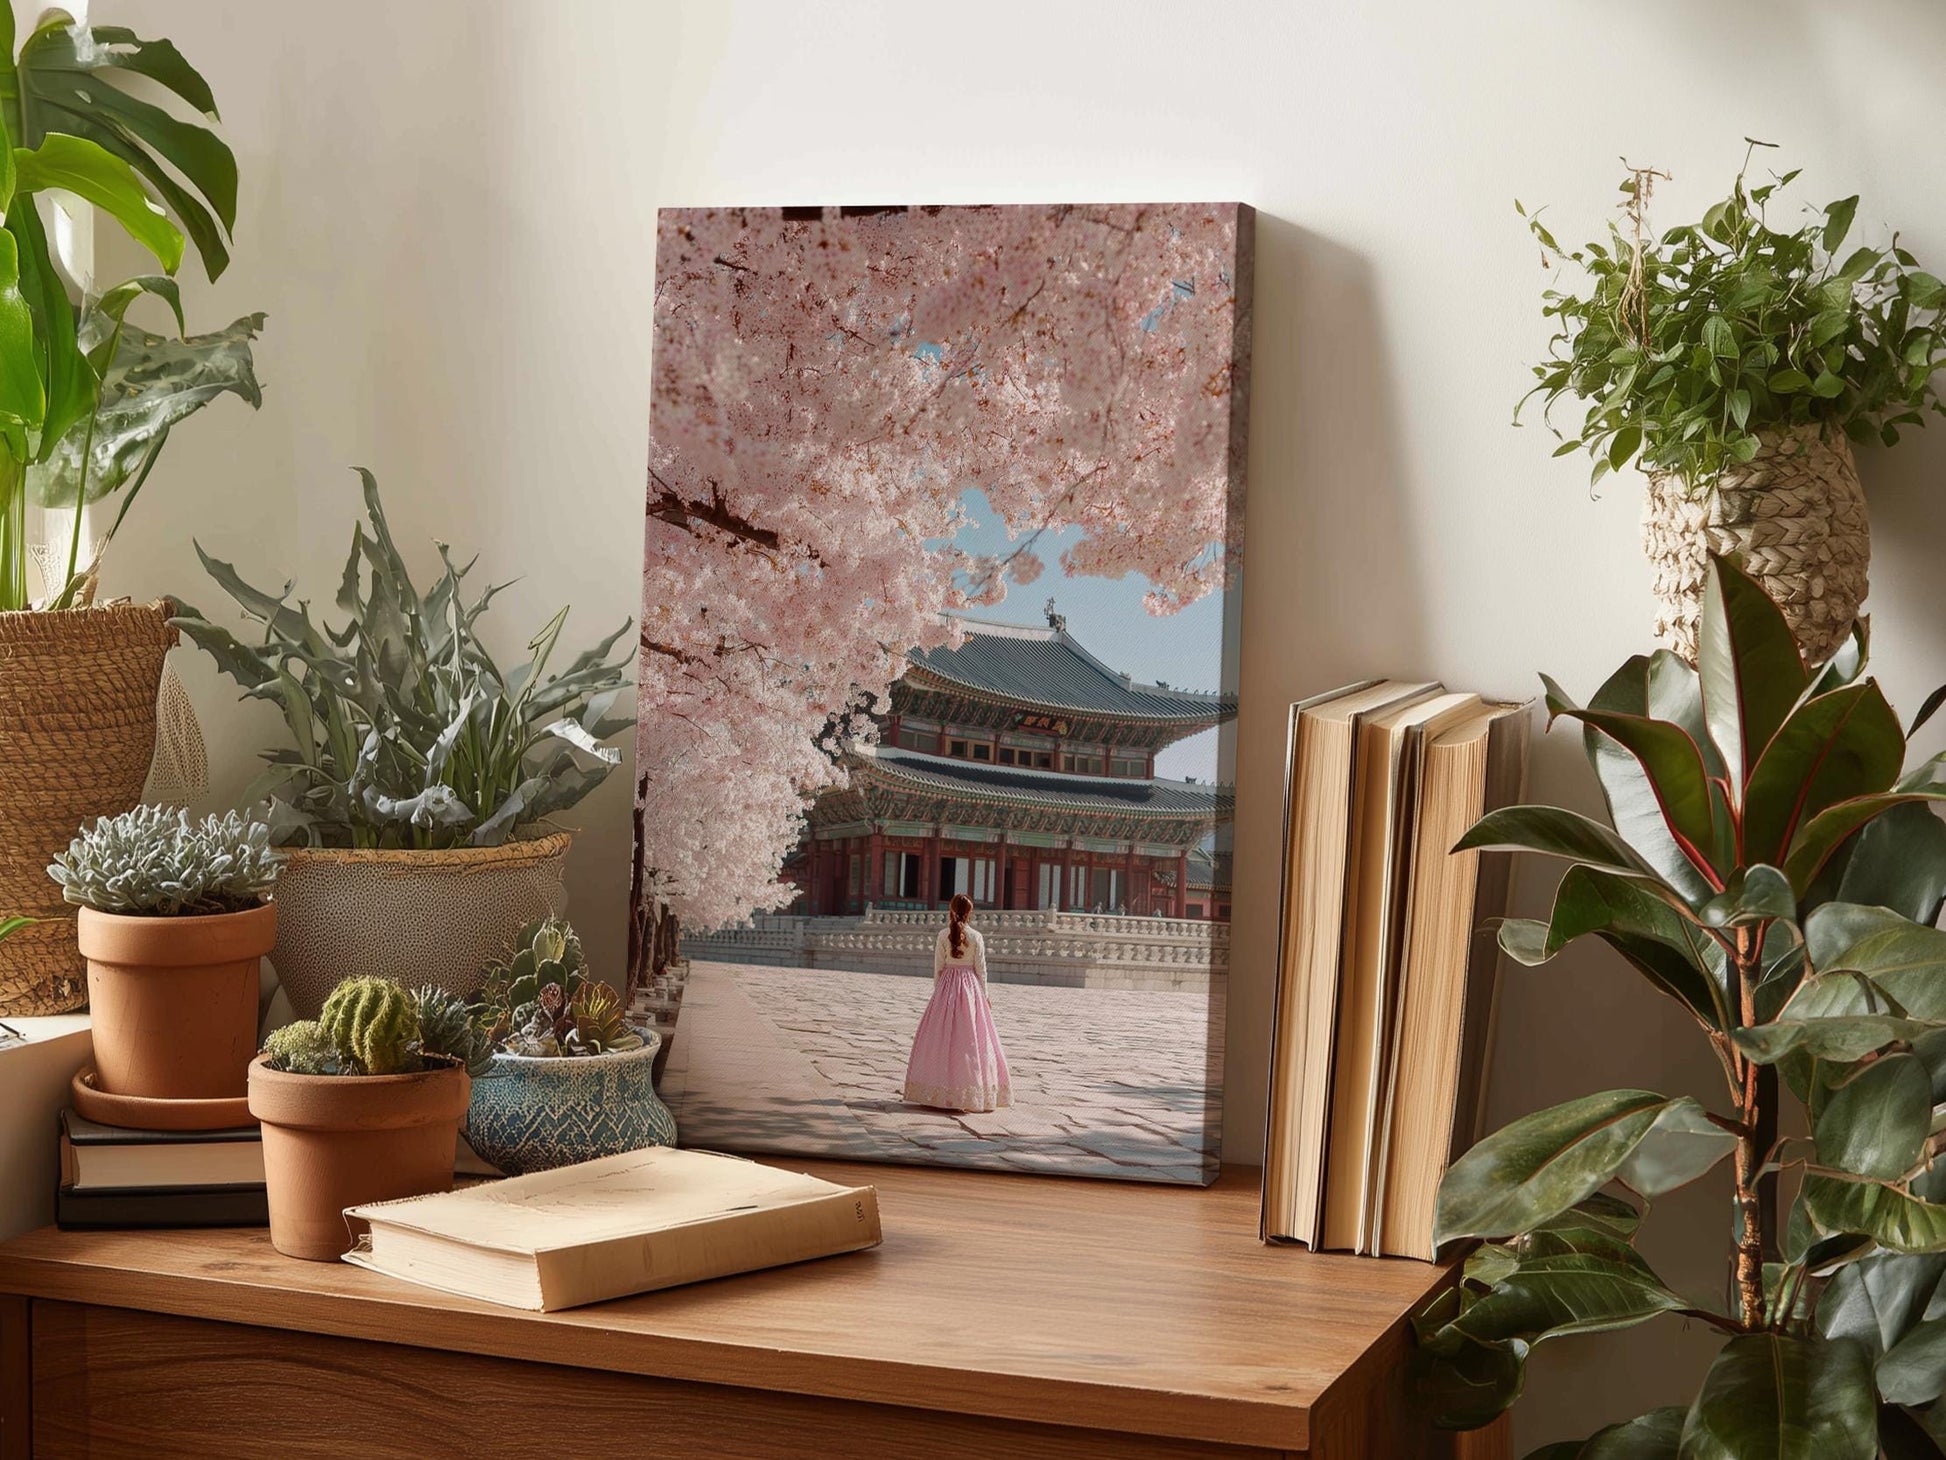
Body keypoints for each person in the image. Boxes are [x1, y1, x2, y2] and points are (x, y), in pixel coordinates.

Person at [902, 894, 1011, 1112]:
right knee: (971, 1039)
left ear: (951, 910)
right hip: (970, 989)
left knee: (942, 1039)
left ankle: (937, 1089)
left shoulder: (943, 935)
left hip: (947, 987)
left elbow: (938, 968)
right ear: (970, 912)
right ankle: (971, 1088)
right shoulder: (976, 936)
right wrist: (985, 994)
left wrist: (938, 994)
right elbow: (981, 970)